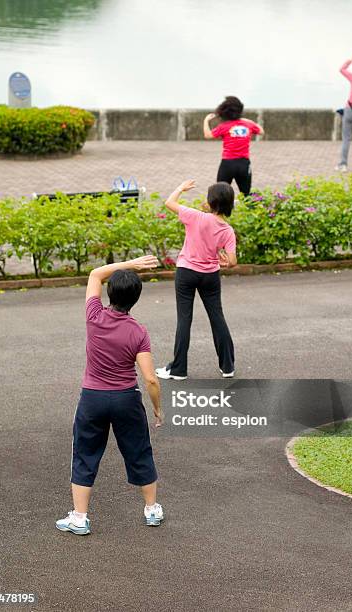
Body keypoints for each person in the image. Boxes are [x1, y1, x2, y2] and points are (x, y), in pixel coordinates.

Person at [56, 255, 164, 536]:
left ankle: (79, 517)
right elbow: (150, 378)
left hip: (92, 398)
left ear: (109, 292)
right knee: (139, 450)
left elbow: (94, 274)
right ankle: (151, 509)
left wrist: (131, 264)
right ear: (136, 298)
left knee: (85, 453)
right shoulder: (139, 331)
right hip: (126, 399)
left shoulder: (94, 316)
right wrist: (157, 408)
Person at [156, 180, 237, 381]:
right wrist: (224, 261)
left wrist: (180, 188)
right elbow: (232, 261)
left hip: (186, 273)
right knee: (217, 317)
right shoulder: (227, 230)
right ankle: (227, 367)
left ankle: (179, 370)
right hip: (210, 276)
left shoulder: (195, 216)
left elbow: (169, 203)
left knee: (185, 319)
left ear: (211, 202)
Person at [203, 96, 264, 196]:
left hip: (227, 164)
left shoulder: (224, 126)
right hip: (244, 164)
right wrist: (248, 120)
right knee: (246, 194)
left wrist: (206, 121)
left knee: (220, 193)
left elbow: (208, 135)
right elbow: (261, 131)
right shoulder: (247, 125)